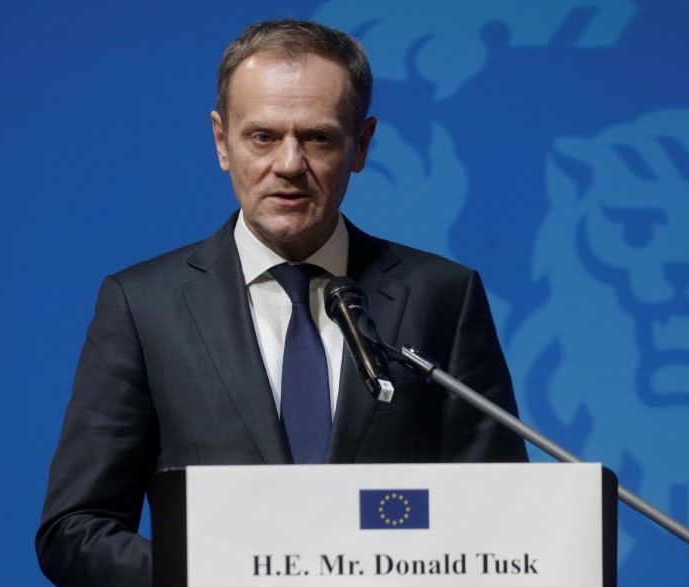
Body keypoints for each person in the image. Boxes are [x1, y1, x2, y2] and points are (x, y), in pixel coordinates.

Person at [36, 18, 527, 587]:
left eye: (317, 138)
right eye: (263, 137)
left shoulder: (442, 294)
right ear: (222, 141)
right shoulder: (143, 305)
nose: (289, 164)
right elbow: (75, 529)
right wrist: (216, 578)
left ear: (361, 144)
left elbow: (501, 514)